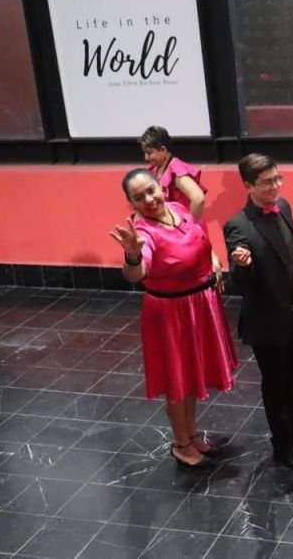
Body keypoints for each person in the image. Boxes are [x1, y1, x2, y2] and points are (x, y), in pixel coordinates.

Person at [108, 169, 237, 467]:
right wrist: (132, 256)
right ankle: (180, 444)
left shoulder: (178, 208)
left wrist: (213, 260)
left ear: (161, 187)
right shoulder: (143, 232)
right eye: (138, 198)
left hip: (199, 304)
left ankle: (191, 434)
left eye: (150, 190)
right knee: (177, 380)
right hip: (170, 314)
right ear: (131, 203)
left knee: (191, 374)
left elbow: (198, 239)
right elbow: (137, 273)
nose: (148, 200)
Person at [223, 154, 293, 472]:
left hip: (292, 311)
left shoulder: (284, 207)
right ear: (248, 185)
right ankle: (282, 447)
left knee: (292, 381)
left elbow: (292, 252)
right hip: (266, 321)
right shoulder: (238, 225)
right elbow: (240, 281)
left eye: (277, 179)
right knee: (276, 385)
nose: (275, 186)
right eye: (267, 182)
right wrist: (242, 263)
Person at [139, 125, 207, 222]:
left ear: (163, 149)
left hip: (181, 228)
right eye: (145, 153)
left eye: (149, 153)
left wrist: (188, 226)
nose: (146, 158)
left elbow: (198, 199)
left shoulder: (177, 171)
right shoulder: (155, 169)